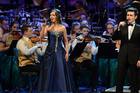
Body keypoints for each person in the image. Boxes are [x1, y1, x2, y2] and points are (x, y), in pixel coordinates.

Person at [38, 9, 77, 93]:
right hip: (49, 52)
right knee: (48, 72)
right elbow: (41, 37)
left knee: (60, 72)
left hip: (59, 52)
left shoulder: (62, 27)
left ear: (57, 16)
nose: (51, 16)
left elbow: (66, 41)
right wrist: (43, 26)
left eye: (53, 15)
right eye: (51, 15)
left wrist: (67, 53)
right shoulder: (48, 26)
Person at [112, 7, 140, 93]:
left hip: (134, 57)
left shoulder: (139, 28)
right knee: (119, 80)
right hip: (122, 56)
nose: (128, 17)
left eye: (131, 15)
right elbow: (114, 38)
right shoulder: (122, 26)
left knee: (134, 81)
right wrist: (118, 28)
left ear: (136, 17)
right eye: (128, 15)